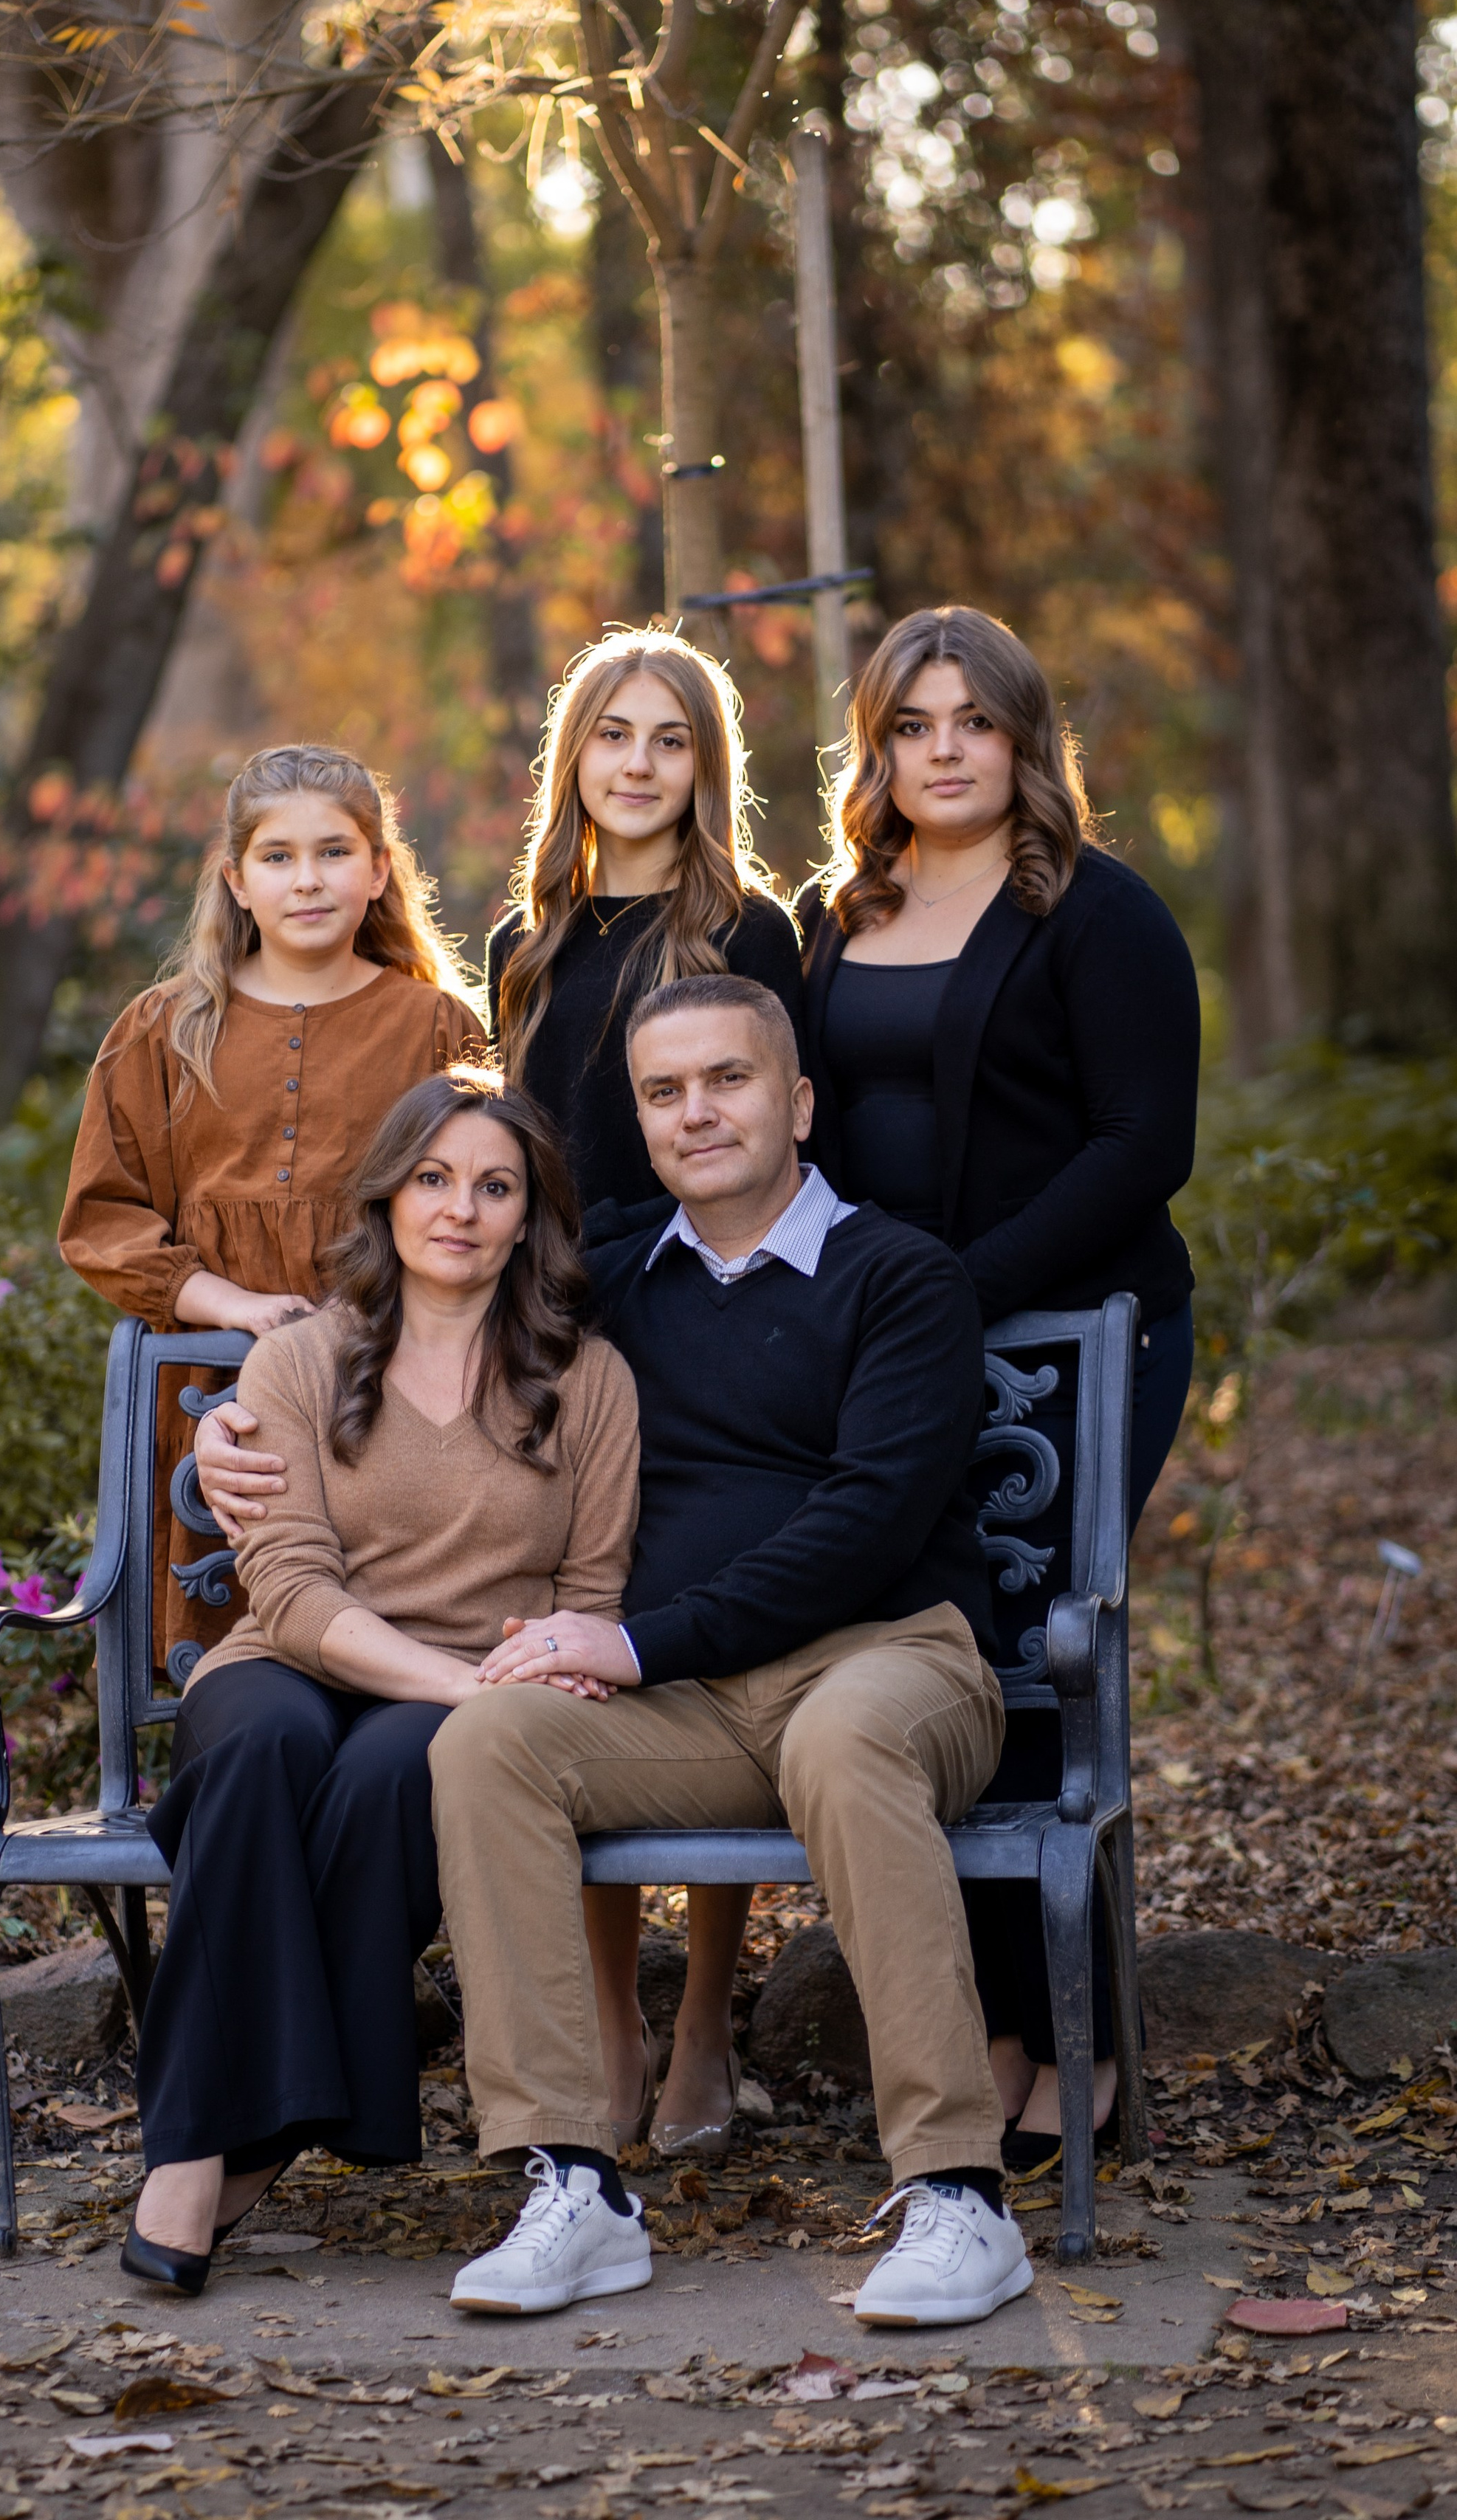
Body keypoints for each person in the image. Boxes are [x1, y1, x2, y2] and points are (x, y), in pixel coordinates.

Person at [200, 977, 1031, 2328]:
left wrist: (635, 1638)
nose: (697, 1112)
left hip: (887, 1660)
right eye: (663, 1092)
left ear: (799, 1101)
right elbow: (415, 1335)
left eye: (730, 1080)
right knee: (490, 1741)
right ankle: (574, 2181)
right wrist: (232, 1430)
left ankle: (955, 2192)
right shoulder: (617, 1286)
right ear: (639, 1124)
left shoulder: (901, 1277)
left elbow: (868, 1527)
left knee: (842, 1730)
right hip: (690, 1704)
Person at [793, 605, 1199, 2172]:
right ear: (874, 747)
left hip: (1079, 1344)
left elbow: (1140, 1147)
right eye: (910, 723)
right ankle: (991, 2035)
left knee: (1044, 1667)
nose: (942, 749)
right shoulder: (842, 913)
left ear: (1022, 738)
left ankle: (1079, 2047)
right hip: (898, 1359)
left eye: (972, 720)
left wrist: (964, 1281)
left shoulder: (1097, 913)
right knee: (924, 1665)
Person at [123, 1069, 639, 2298]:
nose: (460, 1208)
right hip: (294, 1661)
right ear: (390, 1195)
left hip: (469, 1690)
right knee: (257, 1753)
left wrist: (482, 1689)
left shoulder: (589, 1380)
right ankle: (206, 2142)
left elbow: (593, 1594)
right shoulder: (301, 1358)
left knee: (388, 1775)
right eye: (434, 1178)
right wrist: (462, 1684)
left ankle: (249, 2130)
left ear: (530, 1217)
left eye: (495, 1186)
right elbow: (291, 1599)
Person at [489, 626, 804, 2161]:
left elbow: (761, 1148)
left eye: (666, 738)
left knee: (689, 1639)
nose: (635, 763)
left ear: (703, 765)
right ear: (573, 759)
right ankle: (609, 2024)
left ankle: (701, 2024)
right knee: (581, 1645)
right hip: (559, 1337)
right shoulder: (528, 942)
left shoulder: (746, 929)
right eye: (609, 735)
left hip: (694, 1319)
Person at [58, 740, 483, 1667]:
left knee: (385, 1656)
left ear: (378, 870)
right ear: (236, 881)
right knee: (228, 1669)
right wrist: (237, 1305)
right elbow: (102, 1219)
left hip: (383, 1389)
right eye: (278, 857)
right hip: (217, 1400)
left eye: (334, 852)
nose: (308, 879)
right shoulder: (165, 1028)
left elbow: (477, 1207)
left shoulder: (437, 1029)